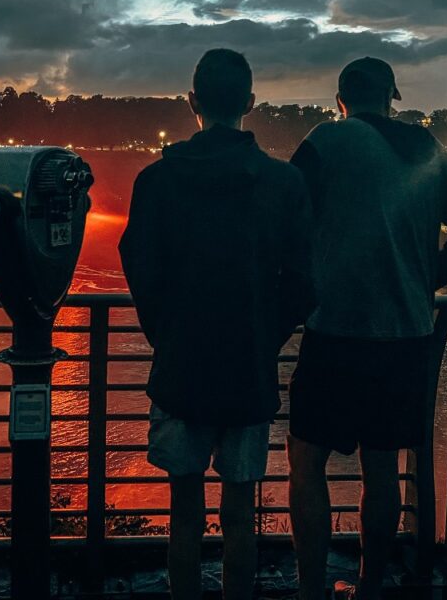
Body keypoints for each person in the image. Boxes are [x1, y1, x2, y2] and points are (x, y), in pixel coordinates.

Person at [287, 57, 447, 600]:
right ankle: (370, 585)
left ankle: (310, 590)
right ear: (393, 96)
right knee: (383, 469)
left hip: (334, 331)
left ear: (340, 101)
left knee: (306, 462)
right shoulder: (427, 147)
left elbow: (285, 222)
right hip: (405, 336)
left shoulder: (326, 143)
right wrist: (425, 280)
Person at [119, 48, 316, 600]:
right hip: (248, 371)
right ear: (251, 104)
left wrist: (169, 333)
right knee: (239, 514)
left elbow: (141, 270)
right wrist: (263, 337)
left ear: (191, 102)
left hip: (181, 368)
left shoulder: (155, 183)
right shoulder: (284, 185)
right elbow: (303, 282)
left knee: (185, 512)